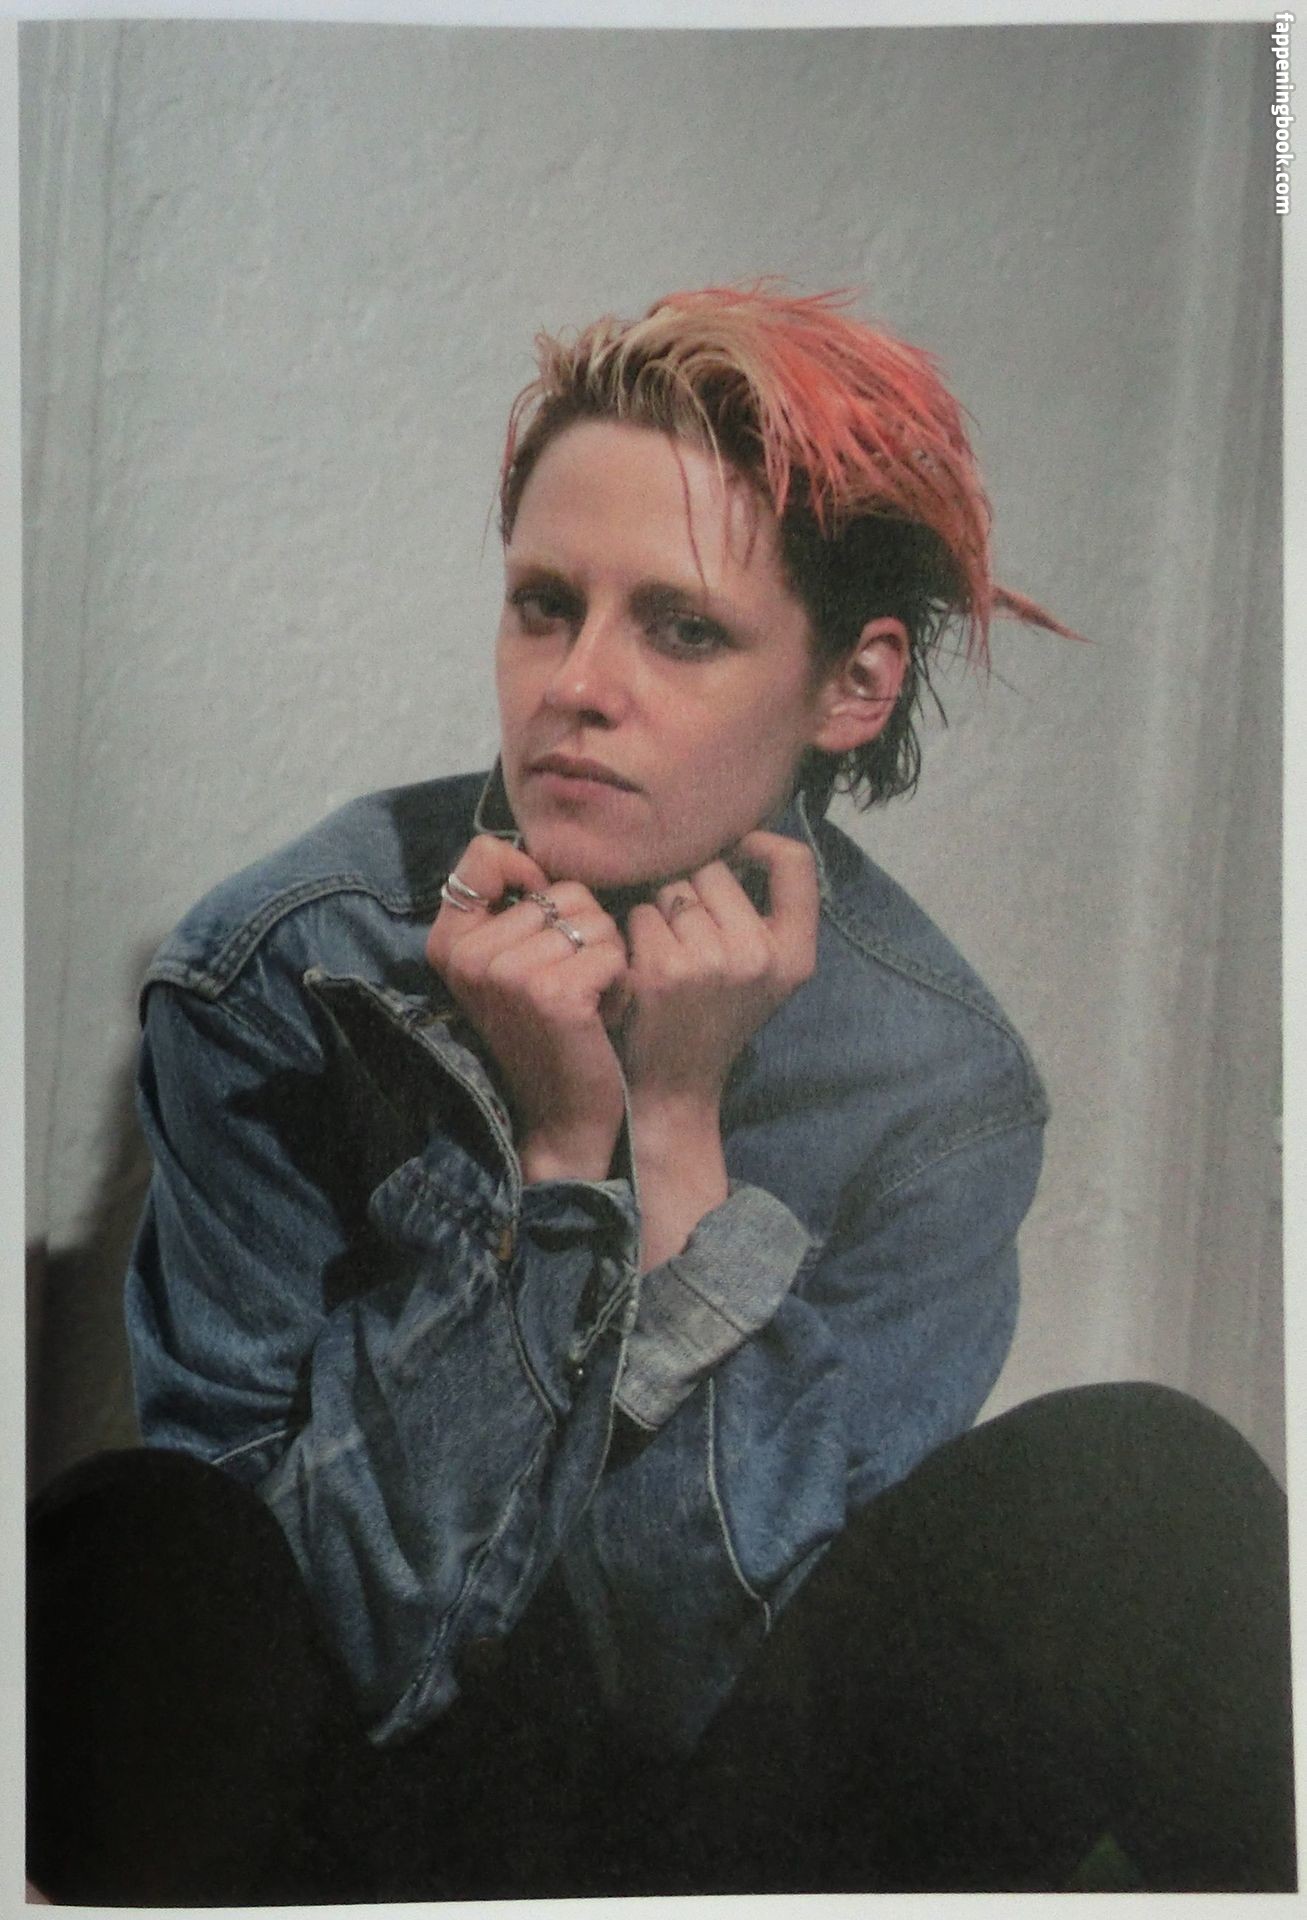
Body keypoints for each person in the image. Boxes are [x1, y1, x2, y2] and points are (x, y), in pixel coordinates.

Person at [27, 285, 1294, 1902]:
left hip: (725, 1834)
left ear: (853, 685)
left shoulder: (942, 1089)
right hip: (368, 1827)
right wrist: (555, 1174)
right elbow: (304, 1639)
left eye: (682, 629)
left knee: (1159, 1493)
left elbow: (715, 1659)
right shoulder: (277, 973)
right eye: (544, 606)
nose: (579, 683)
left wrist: (677, 1141)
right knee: (133, 1551)